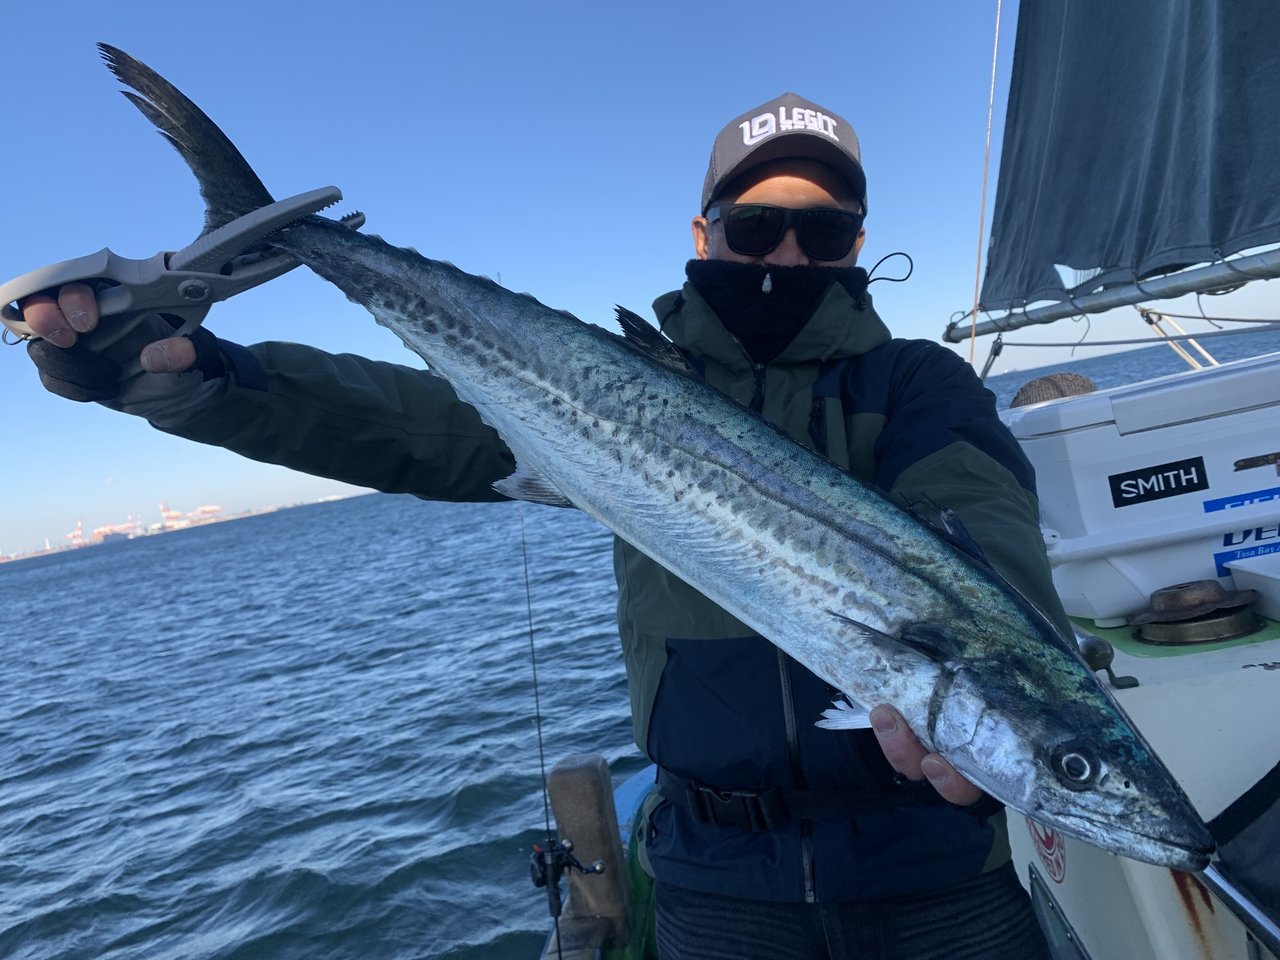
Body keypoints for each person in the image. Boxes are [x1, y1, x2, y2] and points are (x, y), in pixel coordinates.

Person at [21, 92, 1065, 959]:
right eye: (756, 226)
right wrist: (196, 380)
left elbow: (977, 525)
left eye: (825, 230)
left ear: (856, 248)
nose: (789, 253)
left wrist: (1013, 692)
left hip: (935, 873)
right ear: (703, 234)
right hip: (714, 883)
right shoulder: (598, 398)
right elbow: (401, 425)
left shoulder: (912, 383)